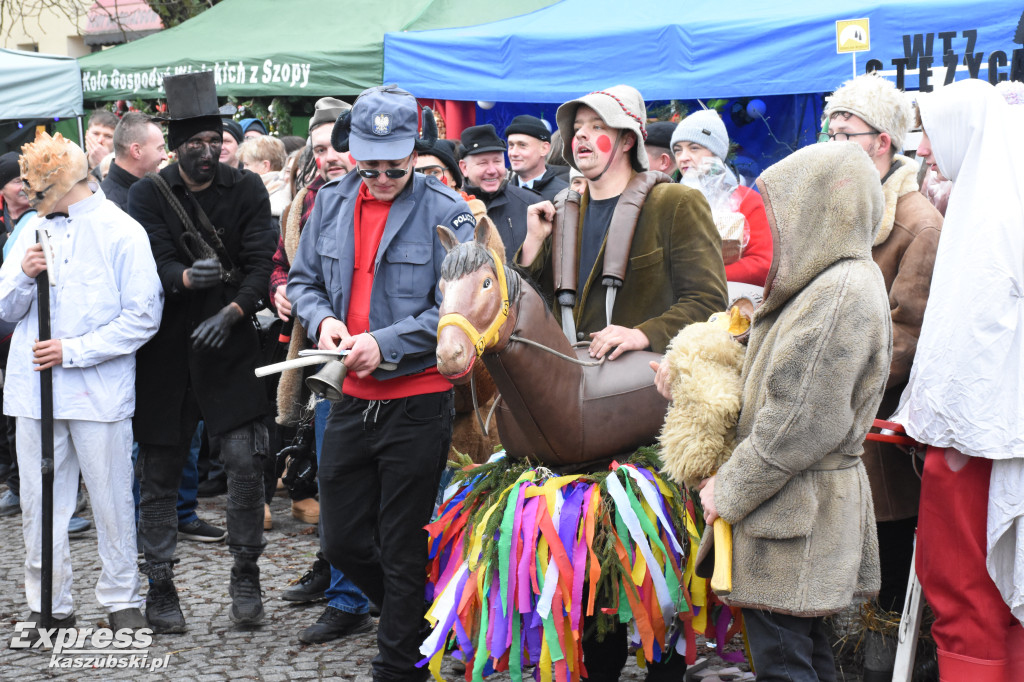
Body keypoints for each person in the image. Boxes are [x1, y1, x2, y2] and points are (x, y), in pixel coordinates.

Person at [519, 84, 727, 681]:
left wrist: (643, 332)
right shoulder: (560, 209)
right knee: (591, 575)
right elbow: (528, 314)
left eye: (595, 125)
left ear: (629, 138)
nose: (579, 136)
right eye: (575, 126)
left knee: (657, 575)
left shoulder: (675, 204)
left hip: (652, 414)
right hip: (576, 420)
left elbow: (710, 303)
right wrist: (532, 245)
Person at [288, 84, 475, 679]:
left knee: (400, 547)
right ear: (354, 153)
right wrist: (325, 321)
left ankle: (398, 665)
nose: (385, 175)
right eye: (372, 165)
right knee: (340, 542)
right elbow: (302, 283)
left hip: (418, 400)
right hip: (347, 398)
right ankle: (419, 622)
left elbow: (458, 312)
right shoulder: (331, 202)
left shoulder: (449, 211)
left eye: (397, 164)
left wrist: (383, 343)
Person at [697, 141, 890, 680]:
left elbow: (795, 424)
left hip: (792, 517)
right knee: (809, 658)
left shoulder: (837, 293)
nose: (767, 231)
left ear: (817, 211)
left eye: (781, 215)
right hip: (797, 512)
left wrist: (728, 488)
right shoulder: (833, 283)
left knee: (785, 665)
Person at [128, 71, 276, 632]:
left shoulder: (247, 190)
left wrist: (231, 311)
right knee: (160, 471)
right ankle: (161, 584)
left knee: (244, 463)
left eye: (215, 143)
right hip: (166, 352)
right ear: (175, 144)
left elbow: (261, 265)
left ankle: (246, 573)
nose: (208, 153)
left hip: (230, 346)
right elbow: (154, 262)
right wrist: (188, 279)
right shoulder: (149, 193)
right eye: (196, 145)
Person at [0, 131, 163, 634]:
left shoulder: (122, 231)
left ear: (70, 184)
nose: (33, 202)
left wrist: (74, 351)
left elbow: (143, 316)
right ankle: (48, 599)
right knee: (40, 499)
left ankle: (120, 597)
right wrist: (24, 276)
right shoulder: (31, 230)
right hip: (35, 393)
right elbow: (5, 310)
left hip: (99, 392)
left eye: (41, 193)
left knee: (112, 497)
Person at [892, 78, 1024, 681]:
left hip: (979, 443)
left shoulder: (989, 214)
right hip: (983, 432)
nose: (922, 150)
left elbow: (970, 339)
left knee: (966, 588)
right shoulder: (985, 199)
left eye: (929, 134)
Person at [821, 72, 943, 680]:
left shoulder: (917, 222)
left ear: (883, 141)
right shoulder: (848, 207)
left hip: (879, 441)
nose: (836, 142)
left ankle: (887, 665)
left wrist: (829, 376)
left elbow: (905, 337)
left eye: (849, 133)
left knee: (887, 583)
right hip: (837, 428)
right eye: (831, 131)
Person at [272, 96, 374, 645]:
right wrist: (288, 296)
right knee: (336, 486)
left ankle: (389, 595)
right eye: (319, 149)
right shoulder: (309, 203)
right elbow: (289, 270)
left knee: (391, 499)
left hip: (394, 370)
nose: (331, 156)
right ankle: (345, 594)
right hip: (326, 367)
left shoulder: (407, 200)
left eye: (338, 147)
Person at [670, 109, 772, 287]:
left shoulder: (746, 200)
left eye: (694, 148)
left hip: (733, 307)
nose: (683, 157)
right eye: (678, 150)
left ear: (716, 154)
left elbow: (763, 265)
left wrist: (701, 277)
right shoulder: (669, 201)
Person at [459, 124, 535, 260]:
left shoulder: (529, 204)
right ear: (464, 168)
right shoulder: (454, 208)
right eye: (483, 163)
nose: (492, 170)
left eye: (497, 161)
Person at [100, 112, 168, 210]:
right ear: (137, 151)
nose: (165, 156)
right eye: (160, 148)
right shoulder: (106, 205)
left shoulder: (153, 190)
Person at [504, 114, 568, 200]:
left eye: (522, 145)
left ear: (544, 148)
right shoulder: (501, 194)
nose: (514, 153)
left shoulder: (563, 195)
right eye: (511, 145)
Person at [237, 135, 291, 218]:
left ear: (265, 166)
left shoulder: (275, 202)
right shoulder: (272, 189)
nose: (243, 170)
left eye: (247, 164)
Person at [85, 109, 118, 173]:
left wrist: (104, 162)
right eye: (96, 134)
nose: (100, 140)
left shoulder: (123, 168)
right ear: (87, 135)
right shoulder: (73, 164)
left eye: (108, 136)